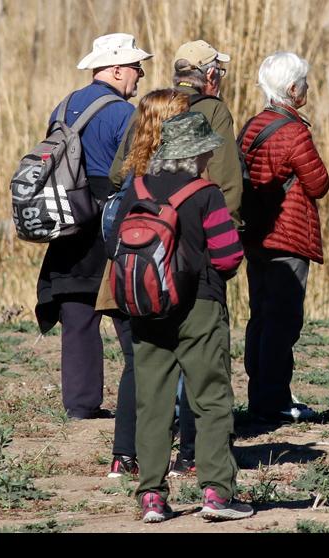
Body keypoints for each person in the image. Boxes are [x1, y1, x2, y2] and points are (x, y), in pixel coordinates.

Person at [107, 111, 252, 522]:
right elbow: (228, 257)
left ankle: (152, 496)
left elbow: (113, 244)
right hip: (199, 307)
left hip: (145, 309)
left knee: (152, 401)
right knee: (210, 398)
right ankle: (216, 492)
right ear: (196, 154)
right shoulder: (206, 194)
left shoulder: (136, 187)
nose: (210, 158)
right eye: (207, 152)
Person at [110, 39, 242, 476]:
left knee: (147, 374)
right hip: (196, 279)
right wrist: (216, 242)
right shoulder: (210, 113)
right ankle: (199, 464)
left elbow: (114, 177)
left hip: (137, 270)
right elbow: (229, 189)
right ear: (210, 74)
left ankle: (134, 468)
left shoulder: (145, 114)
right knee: (205, 380)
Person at [35, 33, 152, 423]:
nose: (140, 74)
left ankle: (81, 406)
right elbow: (136, 173)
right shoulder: (124, 114)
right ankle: (146, 400)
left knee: (77, 310)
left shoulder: (63, 105)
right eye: (136, 67)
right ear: (117, 69)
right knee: (128, 307)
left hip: (68, 217)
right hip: (108, 217)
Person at [99, 89, 191, 479]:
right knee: (186, 364)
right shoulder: (178, 179)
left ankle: (123, 456)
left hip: (127, 283)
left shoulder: (132, 178)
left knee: (136, 365)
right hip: (169, 286)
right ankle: (188, 456)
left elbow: (112, 238)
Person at [238, 51, 329, 424]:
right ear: (292, 89)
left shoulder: (251, 126)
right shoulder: (294, 131)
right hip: (287, 236)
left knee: (260, 317)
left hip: (255, 235)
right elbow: (319, 184)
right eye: (304, 82)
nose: (308, 88)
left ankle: (259, 395)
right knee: (283, 321)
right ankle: (274, 400)